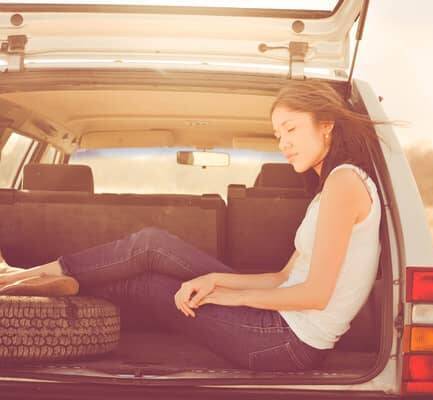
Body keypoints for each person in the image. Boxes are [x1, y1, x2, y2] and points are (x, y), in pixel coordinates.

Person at [0, 80, 386, 372]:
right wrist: (216, 281)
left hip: (288, 342)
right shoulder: (334, 186)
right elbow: (282, 277)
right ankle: (32, 279)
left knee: (149, 285)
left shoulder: (344, 184)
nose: (283, 143)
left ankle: (37, 289)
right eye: (277, 134)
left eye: (291, 129)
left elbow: (314, 295)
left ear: (327, 125)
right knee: (151, 244)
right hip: (281, 324)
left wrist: (226, 296)